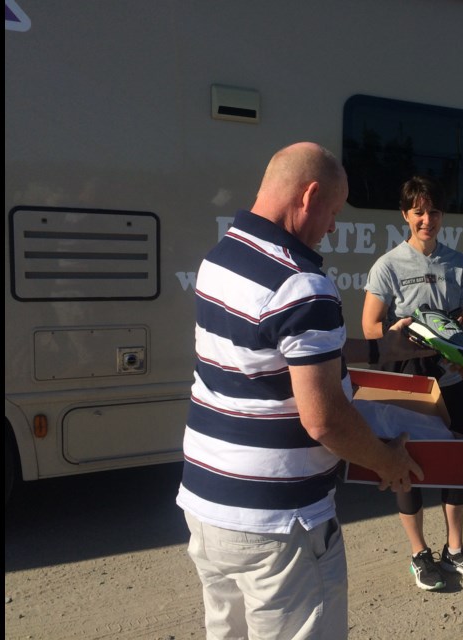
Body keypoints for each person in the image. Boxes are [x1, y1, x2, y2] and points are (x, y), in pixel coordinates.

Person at [176, 142, 432, 640]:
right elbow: (325, 420)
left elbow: (273, 348)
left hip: (208, 506)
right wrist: (388, 462)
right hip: (280, 523)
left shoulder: (222, 256)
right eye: (333, 212)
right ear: (309, 195)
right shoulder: (302, 284)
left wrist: (381, 350)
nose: (333, 227)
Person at [361, 175, 463, 591]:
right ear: (405, 215)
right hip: (407, 382)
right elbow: (368, 326)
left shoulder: (457, 262)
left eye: (433, 211)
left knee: (457, 464)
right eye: (418, 211)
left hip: (450, 377)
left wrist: (450, 329)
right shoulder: (388, 265)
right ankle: (420, 554)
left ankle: (454, 550)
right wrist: (398, 328)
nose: (426, 219)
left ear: (442, 215)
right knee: (407, 464)